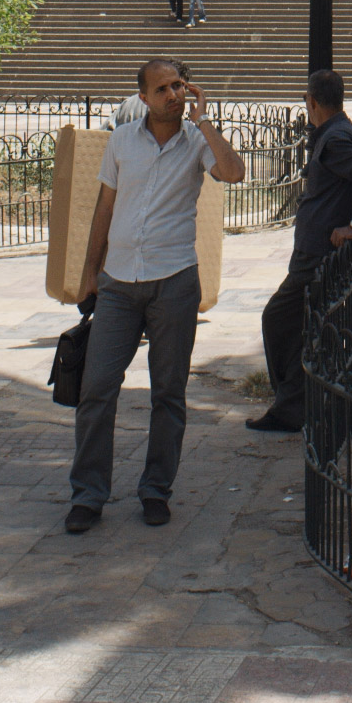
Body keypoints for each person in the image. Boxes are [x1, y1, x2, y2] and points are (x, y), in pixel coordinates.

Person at [67, 59, 245, 532]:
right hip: (119, 285)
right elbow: (104, 208)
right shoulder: (122, 142)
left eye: (179, 86)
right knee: (97, 389)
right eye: (162, 88)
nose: (173, 94)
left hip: (175, 282)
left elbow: (233, 173)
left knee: (169, 392)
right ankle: (88, 494)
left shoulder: (195, 142)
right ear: (142, 97)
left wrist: (205, 120)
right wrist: (89, 271)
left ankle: (155, 489)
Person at [246, 69, 352, 434]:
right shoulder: (340, 130)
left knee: (278, 319)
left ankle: (293, 405)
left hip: (319, 256)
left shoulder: (336, 137)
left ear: (312, 102)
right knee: (304, 327)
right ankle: (298, 401)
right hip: (318, 252)